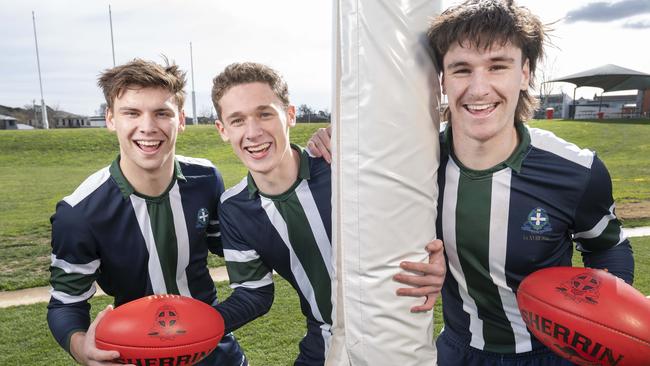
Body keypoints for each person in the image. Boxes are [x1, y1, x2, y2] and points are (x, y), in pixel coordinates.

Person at [309, 0, 635, 364]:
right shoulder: (411, 163)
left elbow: (607, 246)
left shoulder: (575, 170)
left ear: (525, 72)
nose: (479, 89)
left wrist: (600, 317)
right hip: (458, 351)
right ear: (441, 79)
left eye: (497, 66)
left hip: (550, 354)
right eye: (461, 69)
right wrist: (337, 140)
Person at [211, 62, 446, 365]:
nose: (253, 132)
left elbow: (425, 154)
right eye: (238, 120)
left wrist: (442, 255)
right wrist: (192, 330)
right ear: (223, 130)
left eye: (265, 114)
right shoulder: (235, 208)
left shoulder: (343, 160)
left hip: (396, 339)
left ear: (290, 115)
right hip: (324, 340)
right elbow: (253, 294)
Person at [47, 58, 247, 366]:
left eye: (162, 113)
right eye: (132, 112)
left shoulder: (206, 178)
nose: (148, 127)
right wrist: (81, 349)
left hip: (213, 351)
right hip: (135, 354)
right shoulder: (79, 212)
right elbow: (66, 304)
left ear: (180, 119)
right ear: (111, 119)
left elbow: (235, 245)